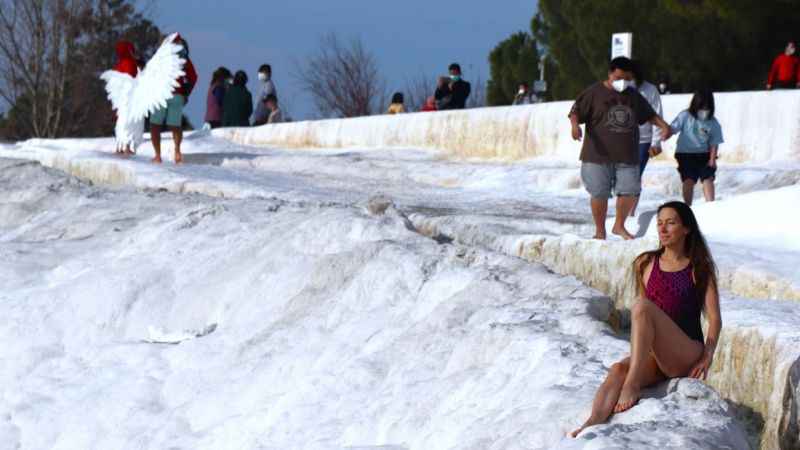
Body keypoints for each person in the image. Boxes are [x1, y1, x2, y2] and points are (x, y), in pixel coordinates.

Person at [570, 201, 722, 438]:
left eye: (670, 223)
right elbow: (645, 321)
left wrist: (707, 356)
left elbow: (714, 318)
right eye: (659, 223)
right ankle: (591, 424)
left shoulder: (699, 268)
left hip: (686, 352)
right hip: (657, 355)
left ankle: (632, 385)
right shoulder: (646, 263)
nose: (663, 229)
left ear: (686, 229)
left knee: (641, 306)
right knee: (618, 369)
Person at [569, 57, 672, 240]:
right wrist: (575, 126)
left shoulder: (633, 96)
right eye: (618, 77)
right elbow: (575, 111)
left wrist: (664, 126)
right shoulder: (594, 92)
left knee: (630, 190)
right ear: (610, 73)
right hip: (597, 154)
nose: (623, 81)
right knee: (599, 192)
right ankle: (600, 231)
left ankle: (619, 225)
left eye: (627, 78)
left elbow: (649, 114)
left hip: (627, 154)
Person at [150, 34, 197, 164]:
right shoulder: (183, 56)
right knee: (175, 125)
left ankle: (157, 155)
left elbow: (151, 75)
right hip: (178, 94)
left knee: (155, 125)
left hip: (160, 95)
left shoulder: (160, 56)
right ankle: (177, 151)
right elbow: (193, 77)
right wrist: (186, 93)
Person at [670, 90, 723, 206]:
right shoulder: (685, 116)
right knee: (688, 179)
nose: (703, 111)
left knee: (708, 178)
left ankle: (711, 205)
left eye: (706, 108)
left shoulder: (713, 122)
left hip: (704, 154)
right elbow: (673, 128)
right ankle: (687, 206)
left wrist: (712, 159)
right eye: (701, 107)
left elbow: (714, 142)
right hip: (685, 154)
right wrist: (665, 134)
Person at [631, 61, 664, 216]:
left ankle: (629, 214)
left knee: (634, 177)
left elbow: (657, 115)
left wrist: (656, 142)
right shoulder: (620, 88)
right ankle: (623, 213)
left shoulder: (650, 90)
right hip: (622, 140)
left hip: (643, 141)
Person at [112, 40, 139, 155]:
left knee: (120, 121)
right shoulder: (130, 63)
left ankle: (119, 147)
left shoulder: (119, 64)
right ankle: (126, 147)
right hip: (128, 97)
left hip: (119, 97)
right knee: (128, 121)